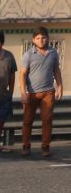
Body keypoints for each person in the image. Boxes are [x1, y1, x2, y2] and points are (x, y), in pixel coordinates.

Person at [19, 26, 63, 158]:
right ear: (33, 40)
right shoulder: (28, 55)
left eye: (43, 37)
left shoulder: (53, 52)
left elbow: (56, 70)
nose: (41, 40)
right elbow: (22, 74)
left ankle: (45, 147)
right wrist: (23, 92)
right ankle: (26, 146)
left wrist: (60, 86)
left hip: (48, 92)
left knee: (47, 120)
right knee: (27, 121)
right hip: (32, 93)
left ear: (48, 38)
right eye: (38, 38)